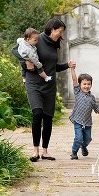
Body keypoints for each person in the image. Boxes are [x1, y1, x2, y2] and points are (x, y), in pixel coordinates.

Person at [18, 17, 74, 161]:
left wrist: (67, 65)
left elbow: (53, 67)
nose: (60, 35)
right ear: (52, 29)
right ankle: (35, 151)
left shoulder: (54, 44)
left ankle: (45, 151)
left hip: (49, 85)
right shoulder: (37, 38)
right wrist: (26, 61)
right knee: (37, 113)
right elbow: (16, 50)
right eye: (59, 32)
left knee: (48, 117)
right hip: (34, 82)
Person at [68, 66, 99, 159]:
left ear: (91, 85)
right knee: (78, 138)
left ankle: (83, 146)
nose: (86, 86)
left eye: (89, 84)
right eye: (84, 84)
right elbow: (74, 79)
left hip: (87, 122)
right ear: (80, 85)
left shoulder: (92, 98)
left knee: (88, 139)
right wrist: (72, 69)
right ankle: (74, 152)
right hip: (77, 120)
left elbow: (96, 107)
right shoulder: (77, 93)